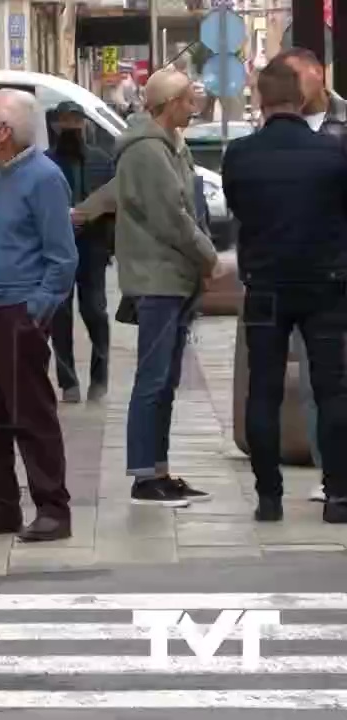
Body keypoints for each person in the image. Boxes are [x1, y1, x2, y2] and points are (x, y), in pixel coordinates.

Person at [221, 60, 347, 524]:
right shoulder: (334, 154)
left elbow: (237, 206)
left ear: (261, 100)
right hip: (326, 287)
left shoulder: (239, 155)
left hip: (265, 287)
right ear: (301, 100)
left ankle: (268, 498)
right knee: (333, 389)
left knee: (263, 392)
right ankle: (338, 496)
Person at [0, 89, 78, 543]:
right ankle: (0, 505)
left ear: (6, 131)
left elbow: (62, 257)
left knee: (31, 415)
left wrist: (36, 311)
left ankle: (52, 509)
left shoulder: (44, 177)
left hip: (17, 311)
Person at [113, 68, 221, 508]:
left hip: (175, 278)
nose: (193, 109)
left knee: (167, 379)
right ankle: (143, 476)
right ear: (169, 103)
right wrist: (209, 255)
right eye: (187, 101)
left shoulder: (171, 146)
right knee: (152, 378)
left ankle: (159, 469)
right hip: (157, 278)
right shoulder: (146, 152)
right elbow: (172, 217)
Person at [272, 47, 347, 501]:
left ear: (318, 76)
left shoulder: (344, 124)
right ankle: (330, 473)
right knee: (316, 382)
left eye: (297, 79)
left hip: (339, 265)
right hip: (304, 274)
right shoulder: (279, 130)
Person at [46, 101, 116, 404]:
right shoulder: (46, 163)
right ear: (56, 126)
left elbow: (114, 205)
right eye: (66, 121)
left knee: (95, 312)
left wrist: (109, 242)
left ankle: (100, 378)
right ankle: (68, 382)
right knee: (59, 316)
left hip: (92, 248)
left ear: (85, 124)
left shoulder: (102, 161)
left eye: (77, 120)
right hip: (57, 251)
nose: (72, 126)